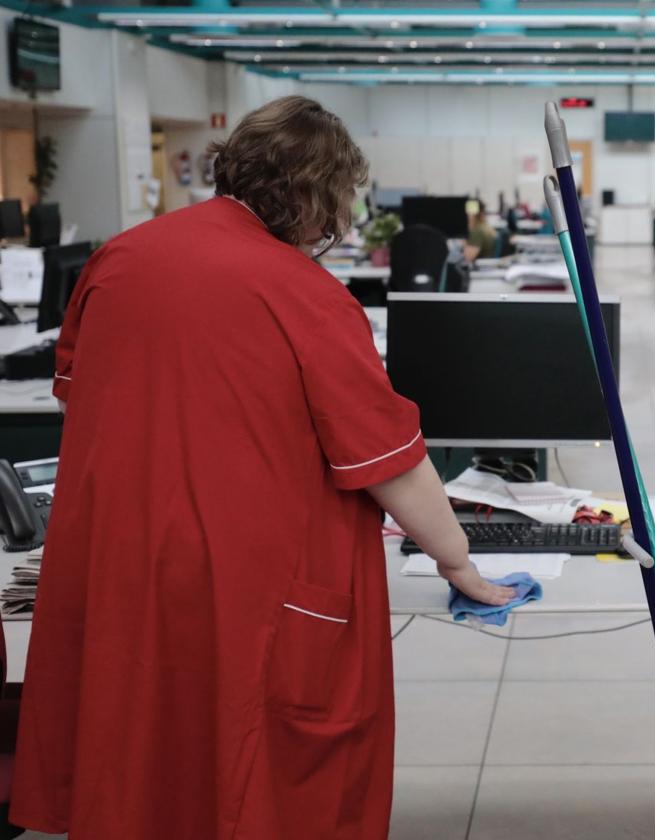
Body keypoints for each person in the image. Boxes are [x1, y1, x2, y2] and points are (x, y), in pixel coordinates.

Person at [10, 96, 513, 839]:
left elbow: (87, 403)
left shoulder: (120, 258)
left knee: (145, 761)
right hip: (249, 584)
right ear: (316, 195)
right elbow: (390, 463)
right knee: (255, 775)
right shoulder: (305, 295)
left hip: (127, 567)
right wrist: (460, 563)